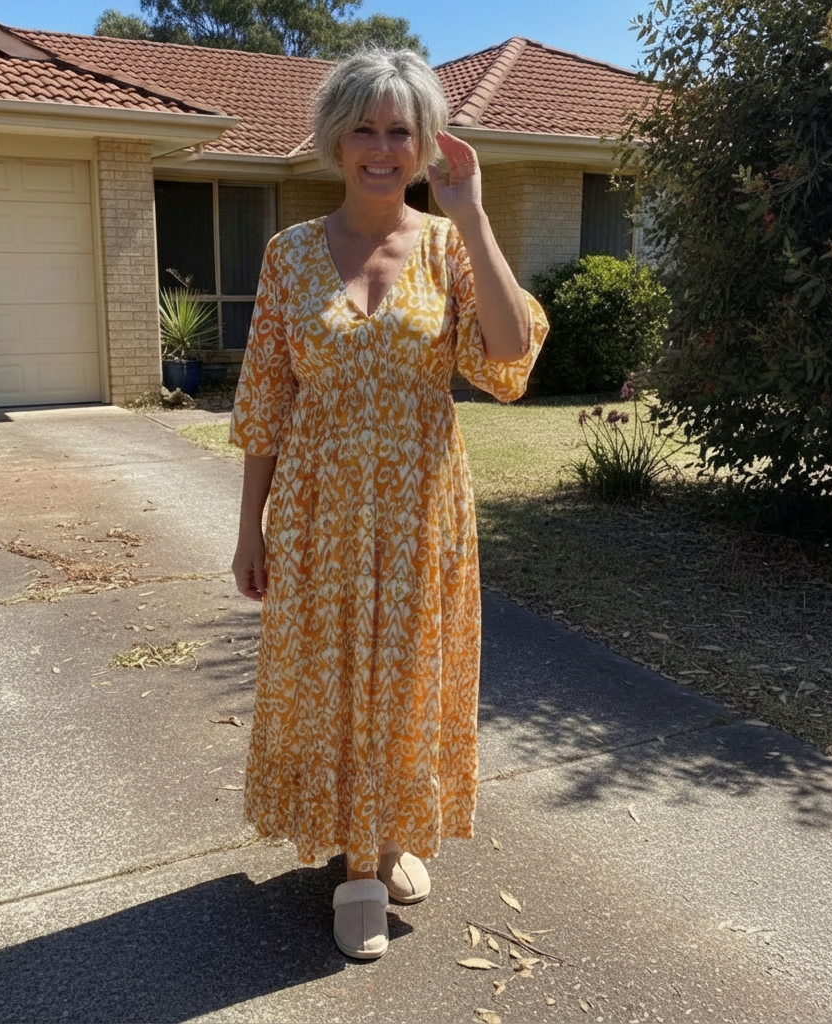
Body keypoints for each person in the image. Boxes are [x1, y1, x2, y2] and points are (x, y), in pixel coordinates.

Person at [229, 48, 548, 960]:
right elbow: (265, 402)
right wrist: (249, 528)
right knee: (330, 681)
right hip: (319, 512)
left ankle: (387, 832)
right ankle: (359, 868)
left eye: (400, 130)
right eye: (363, 128)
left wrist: (472, 213)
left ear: (425, 144)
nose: (381, 148)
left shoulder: (448, 247)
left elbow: (508, 360)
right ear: (335, 140)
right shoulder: (290, 255)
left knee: (409, 678)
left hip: (420, 511)